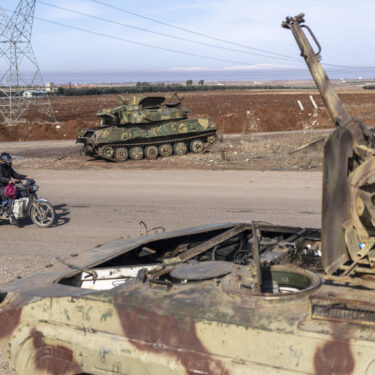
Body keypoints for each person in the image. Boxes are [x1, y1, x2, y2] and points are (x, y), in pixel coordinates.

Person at [0, 152, 30, 224]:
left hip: (7, 186)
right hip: (1, 187)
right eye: (8, 160)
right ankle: (11, 215)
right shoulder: (0, 167)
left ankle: (18, 211)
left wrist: (25, 177)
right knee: (11, 195)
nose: (10, 161)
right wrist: (8, 180)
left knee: (21, 192)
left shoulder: (8, 167)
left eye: (10, 159)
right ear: (3, 160)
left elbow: (15, 175)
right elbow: (0, 178)